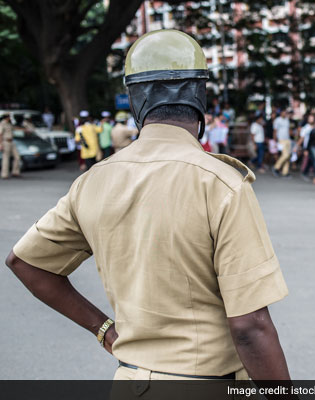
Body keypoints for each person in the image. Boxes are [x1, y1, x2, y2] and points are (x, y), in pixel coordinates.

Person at [5, 29, 290, 382]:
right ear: (200, 96)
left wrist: (104, 329)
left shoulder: (93, 181)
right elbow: (250, 327)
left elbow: (26, 262)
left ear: (135, 101)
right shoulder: (220, 183)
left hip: (132, 381)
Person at [272, 109, 292, 177]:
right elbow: (275, 130)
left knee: (288, 156)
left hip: (288, 139)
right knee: (285, 155)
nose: (284, 114)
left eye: (285, 112)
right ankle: (276, 167)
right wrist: (275, 141)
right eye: (283, 112)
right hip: (281, 140)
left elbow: (288, 129)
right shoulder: (277, 120)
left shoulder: (287, 120)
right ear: (281, 113)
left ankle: (285, 172)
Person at [1, 114, 20, 179]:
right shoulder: (2, 124)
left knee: (17, 156)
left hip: (12, 142)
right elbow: (0, 134)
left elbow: (14, 129)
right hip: (5, 142)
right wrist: (0, 144)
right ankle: (4, 174)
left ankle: (15, 172)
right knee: (5, 158)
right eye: (9, 117)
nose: (10, 118)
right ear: (6, 117)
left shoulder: (9, 124)